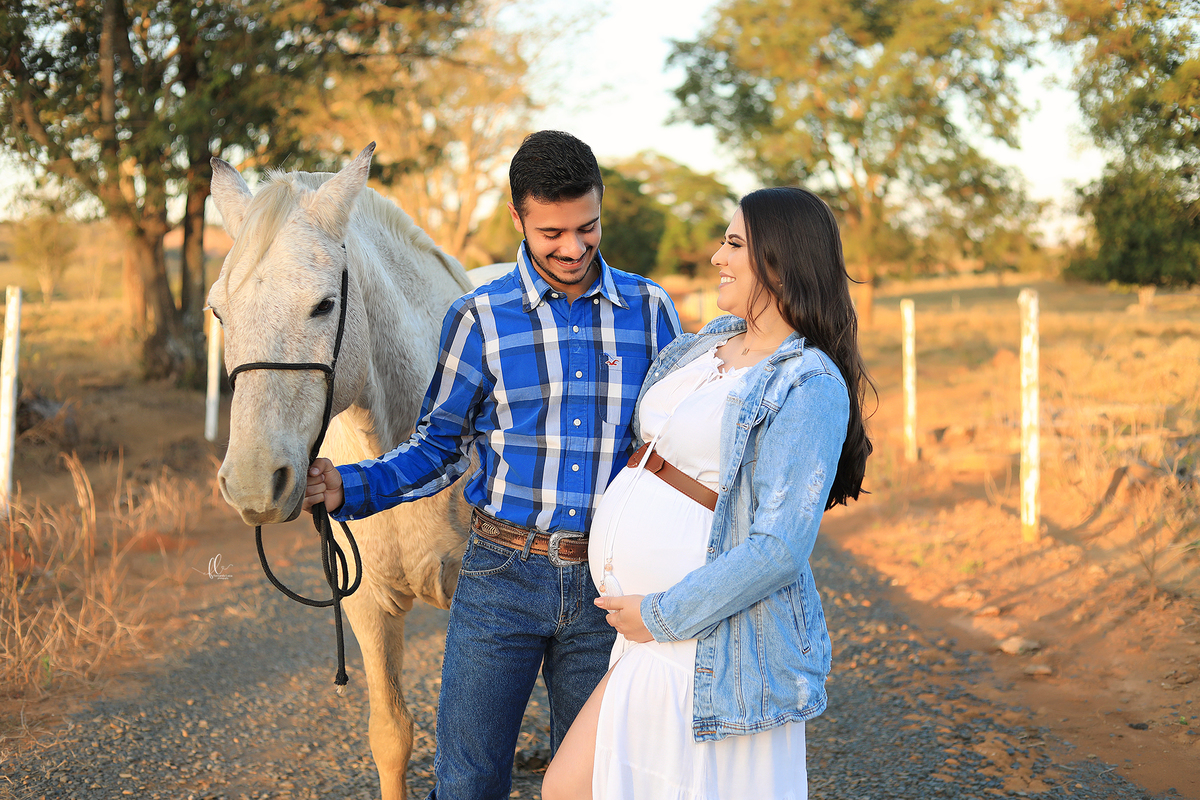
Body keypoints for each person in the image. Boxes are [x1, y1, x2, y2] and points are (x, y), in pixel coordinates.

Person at [302, 130, 681, 799]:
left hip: (607, 584)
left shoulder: (651, 313)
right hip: (500, 579)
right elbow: (439, 448)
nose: (572, 247)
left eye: (587, 227)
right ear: (518, 218)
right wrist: (347, 486)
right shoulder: (478, 318)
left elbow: (675, 450)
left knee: (596, 781)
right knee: (469, 782)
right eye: (551, 232)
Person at [540, 186, 873, 800]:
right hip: (647, 641)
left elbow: (779, 546)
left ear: (780, 261)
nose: (717, 256)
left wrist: (661, 614)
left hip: (705, 640)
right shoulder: (707, 341)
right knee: (570, 788)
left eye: (735, 244)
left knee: (572, 789)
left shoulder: (809, 381)